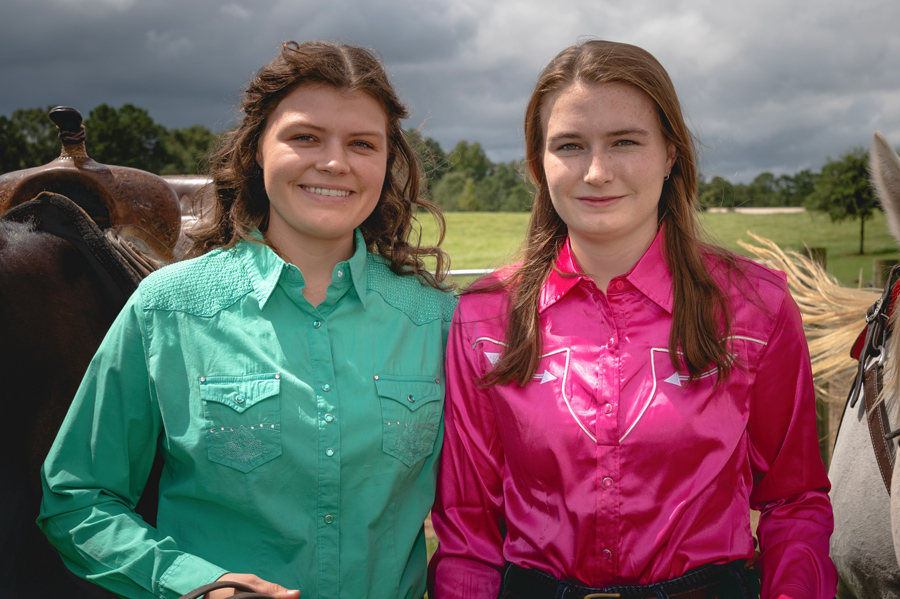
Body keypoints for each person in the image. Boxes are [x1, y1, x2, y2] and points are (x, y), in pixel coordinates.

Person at [39, 40, 456, 599]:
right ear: (258, 148)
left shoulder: (439, 320)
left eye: (362, 143)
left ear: (387, 161)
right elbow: (77, 498)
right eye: (304, 136)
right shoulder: (167, 308)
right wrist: (196, 584)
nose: (334, 162)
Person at [429, 40, 837, 599]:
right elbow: (468, 530)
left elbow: (794, 501)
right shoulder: (484, 316)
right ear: (536, 164)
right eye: (570, 145)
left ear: (671, 153)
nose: (596, 171)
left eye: (624, 141)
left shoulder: (755, 307)